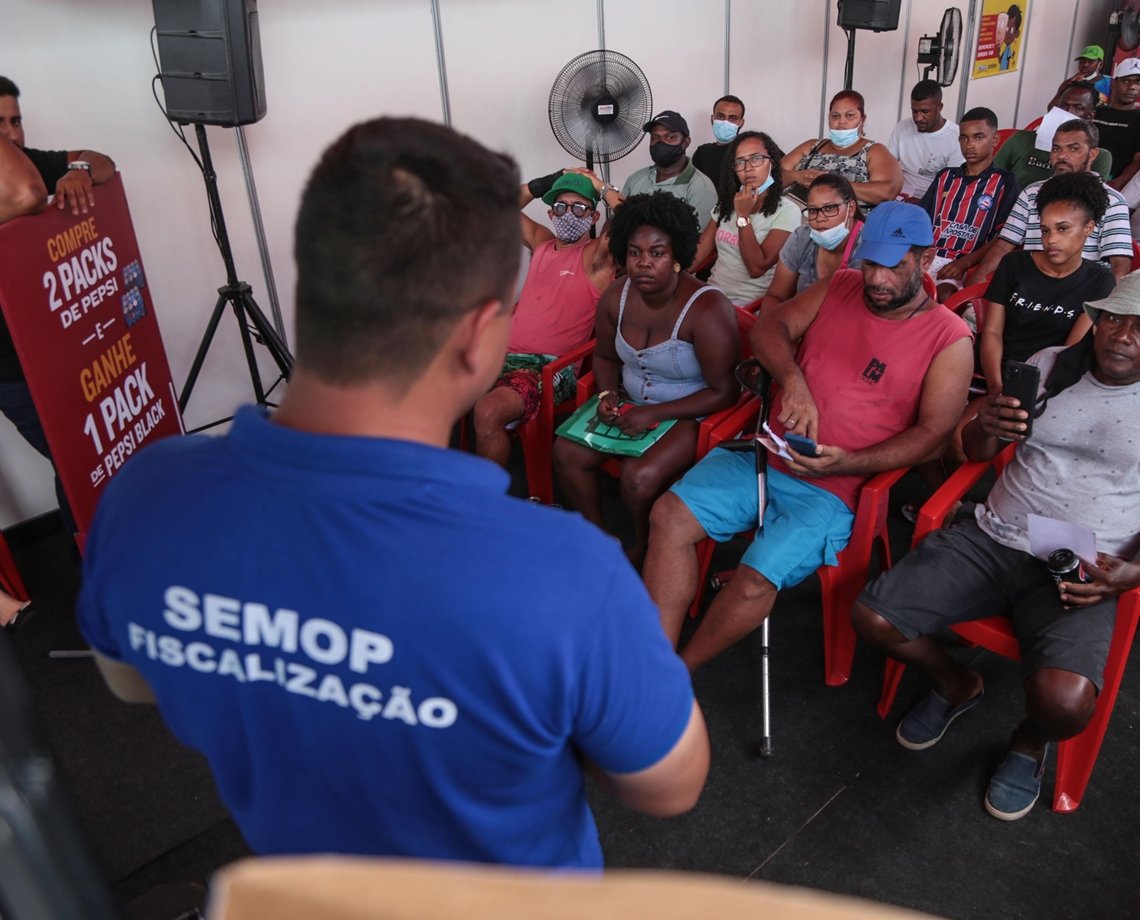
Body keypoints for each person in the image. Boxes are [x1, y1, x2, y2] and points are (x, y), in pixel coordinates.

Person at [76, 118, 709, 869]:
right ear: (481, 337)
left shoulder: (147, 495)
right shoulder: (564, 573)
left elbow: (132, 678)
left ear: (311, 286)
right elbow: (670, 786)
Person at [853, 275, 1140, 821]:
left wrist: (1132, 573)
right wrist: (985, 425)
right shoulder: (1054, 365)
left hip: (1083, 564)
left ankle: (1030, 742)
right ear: (1097, 321)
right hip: (995, 535)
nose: (1124, 335)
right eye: (1114, 318)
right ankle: (956, 682)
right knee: (873, 617)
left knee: (1066, 704)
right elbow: (976, 451)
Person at [643, 202, 973, 663]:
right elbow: (770, 327)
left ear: (925, 258)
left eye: (894, 266)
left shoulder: (948, 337)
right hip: (767, 454)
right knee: (669, 516)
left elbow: (934, 436)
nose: (877, 279)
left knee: (756, 576)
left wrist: (849, 463)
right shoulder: (841, 285)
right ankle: (653, 660)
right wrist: (792, 380)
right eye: (871, 263)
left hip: (834, 490)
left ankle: (679, 673)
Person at [553, 192, 738, 569]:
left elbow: (725, 391)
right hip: (629, 404)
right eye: (635, 252)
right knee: (566, 452)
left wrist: (656, 413)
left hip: (689, 411)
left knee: (638, 477)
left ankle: (642, 545)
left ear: (678, 257)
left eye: (657, 253)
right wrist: (606, 393)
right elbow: (604, 356)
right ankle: (600, 538)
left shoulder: (706, 308)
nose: (643, 264)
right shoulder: (616, 296)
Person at [0, 75, 116, 538]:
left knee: (88, 456)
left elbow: (103, 161)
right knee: (77, 460)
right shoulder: (19, 180)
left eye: (16, 121)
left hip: (53, 347)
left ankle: (99, 554)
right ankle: (92, 563)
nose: (12, 133)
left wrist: (79, 170)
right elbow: (27, 196)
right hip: (9, 367)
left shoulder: (25, 163)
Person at [472, 171, 614, 467]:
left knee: (489, 411)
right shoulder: (542, 242)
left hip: (548, 369)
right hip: (502, 357)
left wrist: (601, 187)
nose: (568, 214)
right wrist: (550, 180)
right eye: (561, 207)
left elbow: (636, 217)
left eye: (579, 208)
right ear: (550, 213)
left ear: (594, 217)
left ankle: (484, 504)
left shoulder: (596, 257)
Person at [978, 172, 1115, 398]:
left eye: (1063, 229)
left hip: (1047, 382)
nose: (1051, 239)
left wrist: (1035, 393)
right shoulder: (1014, 264)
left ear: (1089, 228)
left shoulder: (1099, 281)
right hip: (994, 371)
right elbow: (992, 332)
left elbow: (1069, 352)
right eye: (1045, 230)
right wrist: (996, 386)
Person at [975, 119, 1133, 282]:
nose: (1062, 156)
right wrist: (979, 277)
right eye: (1056, 148)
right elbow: (1003, 246)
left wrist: (1096, 306)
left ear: (1092, 154)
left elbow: (1120, 266)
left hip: (1084, 291)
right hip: (1030, 287)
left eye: (1073, 149)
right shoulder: (1032, 192)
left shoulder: (1112, 201)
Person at [918, 107, 1019, 301]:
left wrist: (964, 264)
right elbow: (922, 218)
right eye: (964, 138)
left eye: (978, 137)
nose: (969, 145)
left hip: (965, 262)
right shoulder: (946, 176)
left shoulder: (1004, 181)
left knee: (943, 295)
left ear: (995, 140)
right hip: (928, 255)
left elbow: (1003, 236)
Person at [689, 131, 800, 307]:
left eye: (756, 159)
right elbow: (698, 254)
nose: (748, 168)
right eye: (740, 162)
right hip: (712, 296)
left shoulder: (787, 211)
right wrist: (672, 271)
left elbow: (756, 267)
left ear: (771, 162)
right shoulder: (726, 204)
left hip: (748, 307)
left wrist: (743, 216)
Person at [782, 90, 903, 211]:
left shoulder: (874, 151)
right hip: (793, 217)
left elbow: (887, 192)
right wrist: (796, 176)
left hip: (845, 226)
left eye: (849, 115)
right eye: (835, 116)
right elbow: (771, 176)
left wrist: (834, 185)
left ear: (863, 119)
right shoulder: (811, 146)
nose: (841, 122)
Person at [758, 173, 863, 311]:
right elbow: (776, 296)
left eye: (830, 208)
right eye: (813, 210)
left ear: (851, 209)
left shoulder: (868, 246)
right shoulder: (802, 237)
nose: (820, 218)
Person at [994, 83, 1112, 189]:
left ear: (1090, 116)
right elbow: (993, 178)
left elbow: (1092, 195)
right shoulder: (1020, 139)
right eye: (1063, 106)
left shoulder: (1098, 156)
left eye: (1078, 108)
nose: (1068, 112)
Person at [620, 111, 717, 231]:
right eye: (655, 137)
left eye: (670, 137)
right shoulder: (635, 179)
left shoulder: (701, 187)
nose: (661, 143)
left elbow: (701, 242)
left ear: (686, 142)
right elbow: (615, 222)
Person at [886, 80, 964, 202]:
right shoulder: (902, 127)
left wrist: (922, 203)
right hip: (900, 196)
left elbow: (952, 187)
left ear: (939, 107)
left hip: (935, 201)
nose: (918, 118)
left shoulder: (956, 137)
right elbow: (888, 167)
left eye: (925, 112)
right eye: (914, 111)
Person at [1092, 58, 1140, 189]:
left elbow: (1137, 161)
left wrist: (1117, 183)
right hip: (1081, 177)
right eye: (1126, 81)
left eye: (1138, 82)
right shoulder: (1094, 111)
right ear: (1113, 83)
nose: (1132, 87)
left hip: (1114, 186)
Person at [692, 94, 746, 185]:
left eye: (732, 118)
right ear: (712, 119)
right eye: (720, 117)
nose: (725, 122)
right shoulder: (702, 152)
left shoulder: (749, 150)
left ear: (741, 123)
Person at [998, 5, 1022, 72]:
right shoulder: (1005, 50)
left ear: (1017, 34)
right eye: (1006, 28)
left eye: (1011, 29)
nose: (1007, 33)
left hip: (1005, 73)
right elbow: (1000, 61)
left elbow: (1008, 62)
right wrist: (998, 52)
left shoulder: (1009, 50)